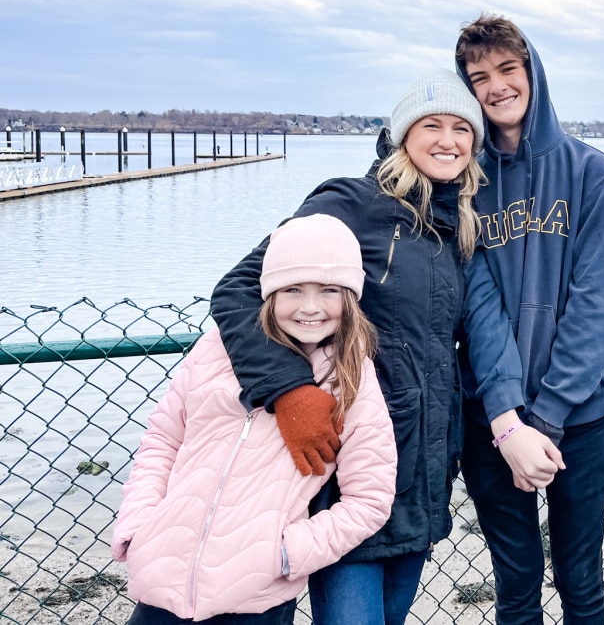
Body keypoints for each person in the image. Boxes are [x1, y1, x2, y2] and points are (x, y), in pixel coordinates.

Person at [208, 69, 558, 625]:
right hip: (348, 464)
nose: (448, 140)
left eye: (461, 129)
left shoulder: (458, 227)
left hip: (420, 472)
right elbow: (239, 289)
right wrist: (289, 389)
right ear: (403, 137)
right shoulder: (351, 203)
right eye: (431, 126)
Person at [111, 214, 397, 625]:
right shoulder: (215, 350)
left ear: (350, 299)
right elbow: (162, 441)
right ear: (269, 294)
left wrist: (285, 554)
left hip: (255, 599)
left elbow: (369, 500)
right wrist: (140, 525)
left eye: (329, 290)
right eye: (293, 289)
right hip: (160, 581)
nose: (311, 306)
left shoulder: (350, 377)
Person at [455, 16, 604, 625]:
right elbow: (479, 312)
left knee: (580, 579)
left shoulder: (591, 172)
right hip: (490, 419)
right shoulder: (465, 185)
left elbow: (595, 304)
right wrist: (509, 424)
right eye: (479, 78)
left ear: (532, 72)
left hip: (577, 416)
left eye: (507, 69)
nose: (496, 86)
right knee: (517, 584)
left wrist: (548, 416)